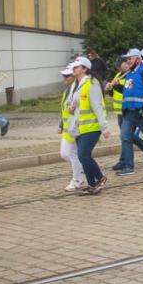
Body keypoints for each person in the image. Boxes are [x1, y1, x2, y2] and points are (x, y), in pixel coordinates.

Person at [66, 57, 111, 194]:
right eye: (73, 67)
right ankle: (92, 185)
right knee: (83, 156)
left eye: (76, 67)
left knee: (83, 155)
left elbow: (97, 106)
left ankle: (100, 178)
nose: (73, 69)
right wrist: (70, 107)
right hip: (79, 128)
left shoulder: (92, 83)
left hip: (92, 127)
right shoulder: (76, 84)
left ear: (84, 69)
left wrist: (104, 127)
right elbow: (70, 102)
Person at [107, 58, 143, 171]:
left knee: (126, 137)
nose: (123, 66)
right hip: (120, 111)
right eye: (120, 66)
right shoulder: (119, 75)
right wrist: (109, 87)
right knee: (126, 137)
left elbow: (128, 90)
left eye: (126, 63)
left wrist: (117, 86)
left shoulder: (132, 75)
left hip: (129, 110)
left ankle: (125, 161)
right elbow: (112, 92)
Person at [58, 63, 85, 192]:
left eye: (67, 76)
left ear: (74, 76)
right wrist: (61, 124)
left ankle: (77, 180)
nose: (65, 78)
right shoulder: (67, 91)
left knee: (72, 154)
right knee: (64, 154)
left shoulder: (78, 90)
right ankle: (83, 169)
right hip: (68, 128)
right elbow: (64, 110)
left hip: (76, 127)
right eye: (64, 76)